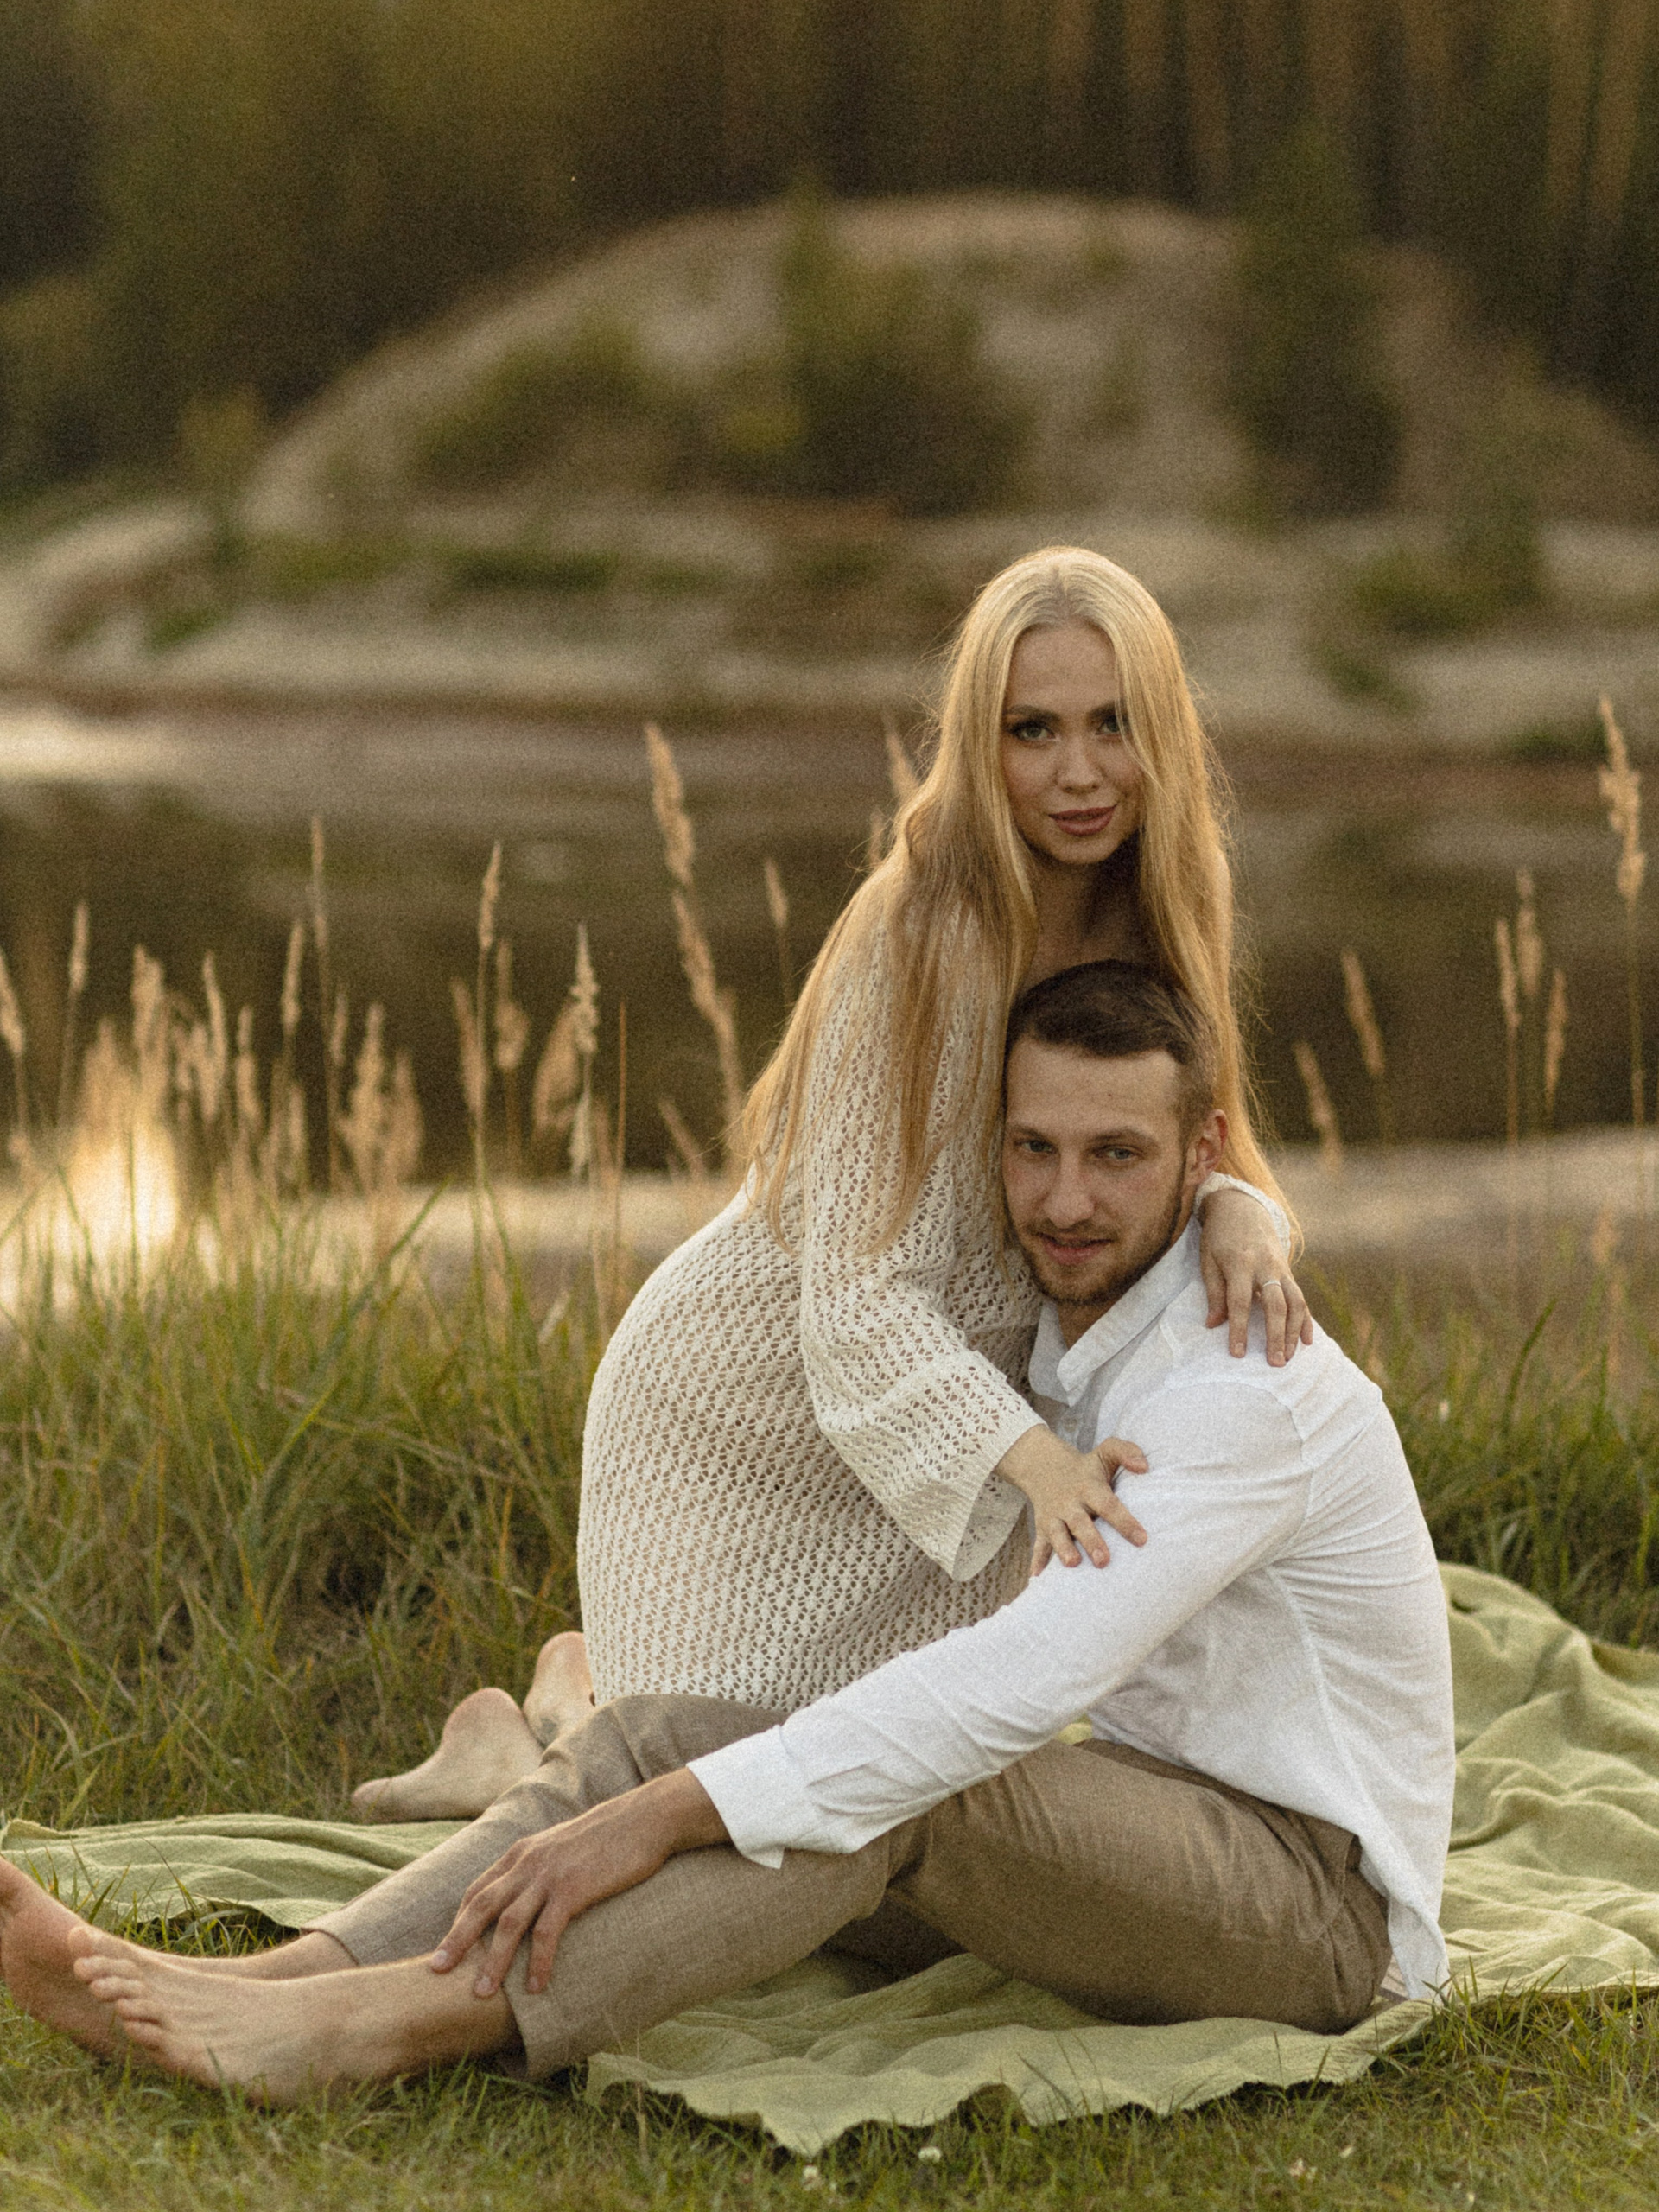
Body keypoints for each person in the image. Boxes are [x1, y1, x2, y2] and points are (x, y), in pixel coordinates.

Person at [0, 961, 1454, 2096]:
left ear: (1199, 1153)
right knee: (671, 1735)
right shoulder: (1101, 1301)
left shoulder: (1240, 1387)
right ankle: (271, 1986)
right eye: (1035, 1148)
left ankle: (378, 2032)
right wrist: (666, 1775)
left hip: (1310, 1914)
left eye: (1118, 1156)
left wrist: (650, 1826)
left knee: (892, 1786)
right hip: (1137, 1823)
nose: (1065, 1201)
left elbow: (1014, 1687)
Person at [353, 543, 1313, 1822]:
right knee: (700, 1809)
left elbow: (1198, 1138)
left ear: (1165, 734)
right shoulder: (923, 928)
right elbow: (854, 1294)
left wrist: (1247, 1209)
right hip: (748, 1410)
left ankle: (563, 1702)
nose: (1079, 773)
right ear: (979, 742)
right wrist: (1038, 1465)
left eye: (1113, 724)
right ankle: (535, 1735)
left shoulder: (1174, 896)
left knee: (848, 1816)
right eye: (1033, 730)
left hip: (954, 1434)